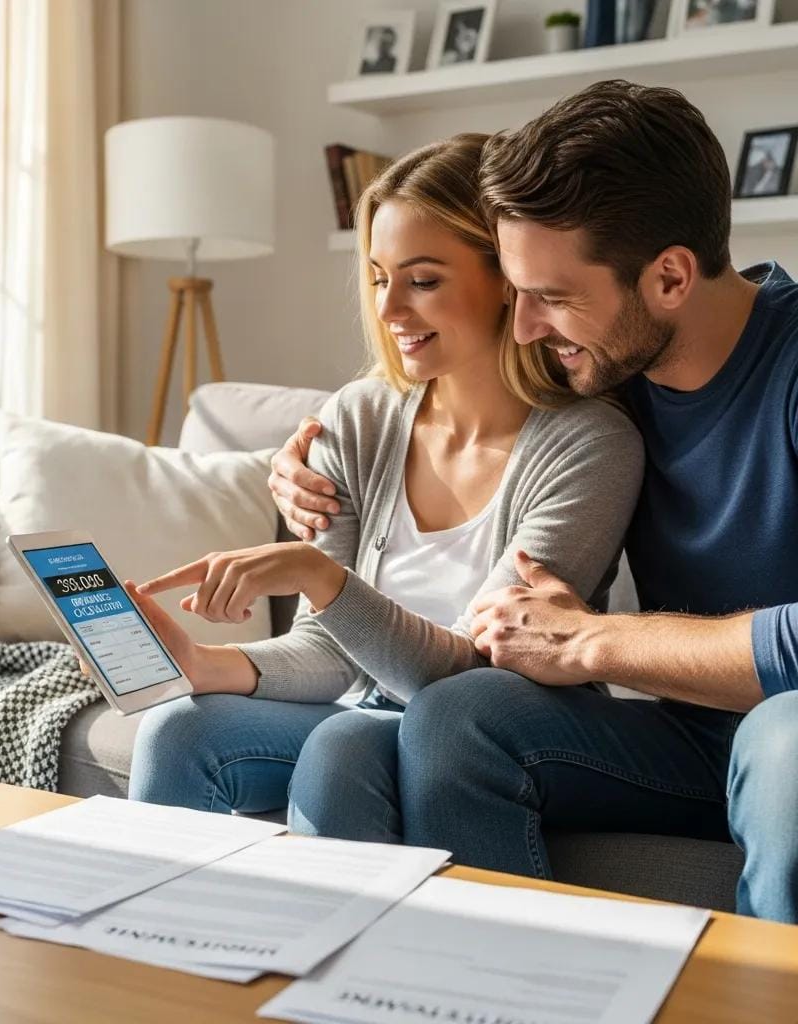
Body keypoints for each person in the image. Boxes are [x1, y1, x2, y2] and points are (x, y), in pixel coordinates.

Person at [270, 80, 798, 924]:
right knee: (457, 716)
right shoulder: (612, 366)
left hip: (783, 736)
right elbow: (434, 397)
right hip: (685, 740)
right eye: (519, 294)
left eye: (552, 298)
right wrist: (300, 460)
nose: (525, 330)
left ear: (669, 277)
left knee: (790, 741)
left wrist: (595, 639)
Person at [125, 133, 643, 835]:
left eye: (423, 280)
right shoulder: (359, 418)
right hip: (364, 713)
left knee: (343, 748)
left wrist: (322, 578)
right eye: (378, 278)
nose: (391, 310)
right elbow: (331, 653)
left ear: (507, 280)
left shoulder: (589, 446)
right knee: (175, 730)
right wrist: (202, 662)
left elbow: (469, 676)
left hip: (496, 727)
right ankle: (139, 941)